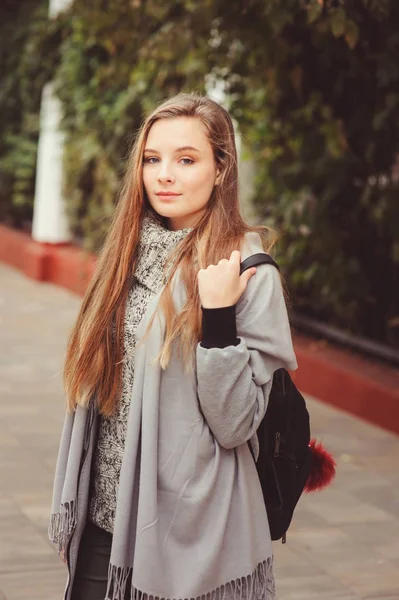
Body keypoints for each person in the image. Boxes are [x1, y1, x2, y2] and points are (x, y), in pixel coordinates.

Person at [49, 92, 297, 600]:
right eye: (152, 159)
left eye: (186, 160)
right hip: (104, 520)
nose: (165, 175)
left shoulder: (246, 272)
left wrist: (219, 317)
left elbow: (235, 424)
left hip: (189, 531)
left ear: (221, 169)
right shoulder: (126, 254)